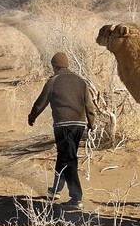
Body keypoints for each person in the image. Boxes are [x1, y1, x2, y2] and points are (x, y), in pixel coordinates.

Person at [27, 52, 97, 207]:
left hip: (62, 125)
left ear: (54, 66)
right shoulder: (81, 81)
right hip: (79, 125)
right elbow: (89, 106)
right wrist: (92, 125)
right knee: (64, 156)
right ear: (67, 65)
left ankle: (76, 197)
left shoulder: (54, 81)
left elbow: (41, 103)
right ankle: (56, 190)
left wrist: (32, 117)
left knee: (68, 158)